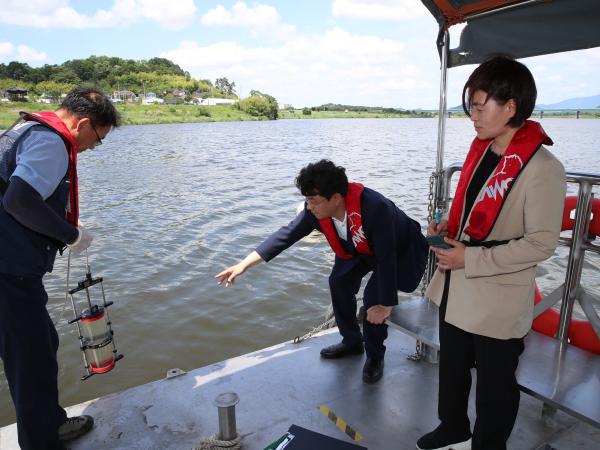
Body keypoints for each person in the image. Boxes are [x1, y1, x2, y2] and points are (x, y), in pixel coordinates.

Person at [417, 56, 566, 450]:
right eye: (472, 106)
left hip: (497, 291)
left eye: (481, 106)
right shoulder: (482, 151)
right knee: (451, 368)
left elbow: (541, 243)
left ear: (511, 107)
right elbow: (477, 210)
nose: (474, 116)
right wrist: (449, 225)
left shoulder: (543, 168)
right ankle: (453, 427)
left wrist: (472, 258)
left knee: (495, 385)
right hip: (457, 283)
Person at [216, 159, 428, 383]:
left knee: (373, 299)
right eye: (306, 201)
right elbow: (285, 235)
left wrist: (386, 304)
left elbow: (386, 258)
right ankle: (352, 341)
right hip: (359, 247)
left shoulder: (376, 208)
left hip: (399, 249)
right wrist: (242, 265)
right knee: (339, 281)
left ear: (336, 198)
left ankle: (375, 356)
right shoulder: (316, 212)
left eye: (314, 201)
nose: (309, 207)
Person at [0, 87, 120, 449]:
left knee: (37, 344)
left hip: (10, 266)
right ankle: (43, 441)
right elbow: (19, 199)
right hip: (9, 269)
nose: (88, 149)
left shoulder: (22, 130)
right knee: (31, 357)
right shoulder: (52, 141)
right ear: (82, 123)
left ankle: (49, 424)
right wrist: (71, 235)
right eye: (95, 140)